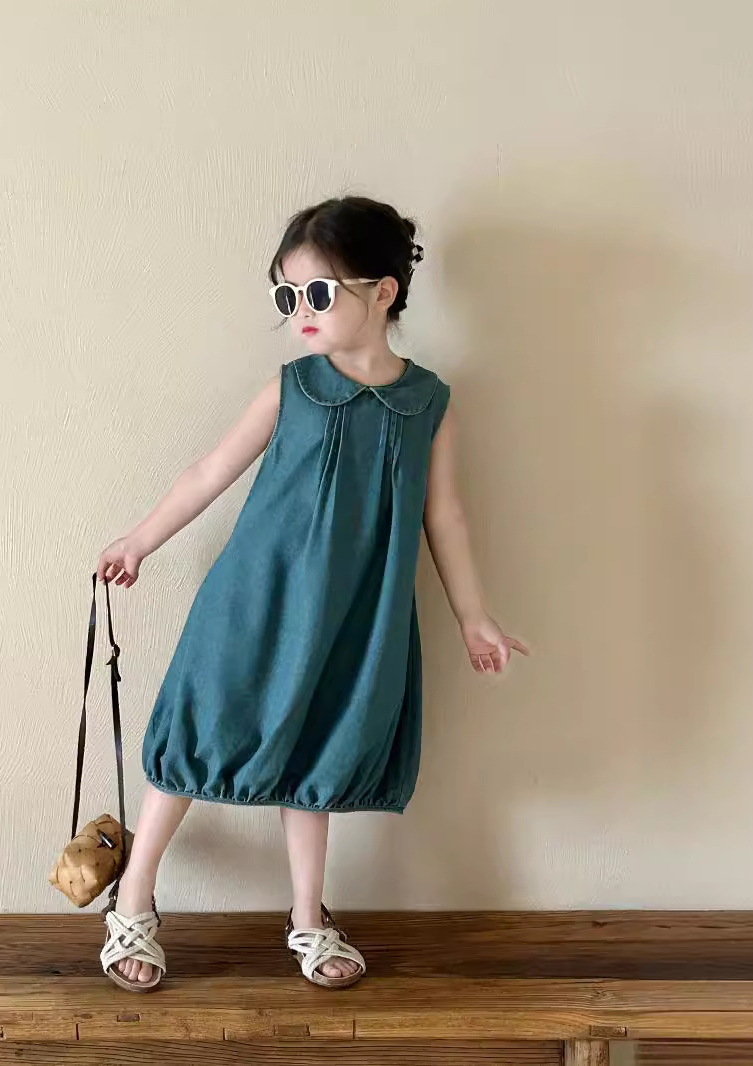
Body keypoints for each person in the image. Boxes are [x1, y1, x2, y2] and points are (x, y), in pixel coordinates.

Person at [94, 195, 528, 993]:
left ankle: (306, 916)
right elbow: (209, 472)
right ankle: (134, 899)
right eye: (288, 295)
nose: (300, 311)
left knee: (316, 749)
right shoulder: (292, 386)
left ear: (384, 292)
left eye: (319, 293)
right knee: (197, 732)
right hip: (253, 601)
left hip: (354, 614)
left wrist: (474, 617)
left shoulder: (428, 404)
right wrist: (138, 540)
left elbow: (444, 516)